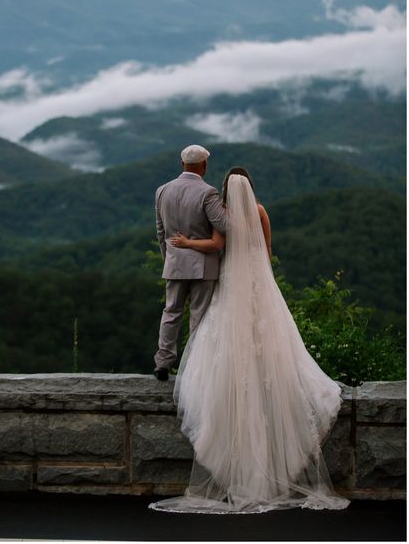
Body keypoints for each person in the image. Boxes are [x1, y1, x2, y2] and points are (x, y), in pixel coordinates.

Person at [150, 167, 350, 514]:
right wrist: (262, 279)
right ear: (252, 187)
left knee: (219, 336)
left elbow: (217, 245)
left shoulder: (223, 213)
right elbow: (268, 249)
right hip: (260, 282)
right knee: (271, 337)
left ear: (227, 189)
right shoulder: (260, 211)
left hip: (230, 282)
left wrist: (183, 243)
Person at [153, 144, 227, 381]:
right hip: (203, 265)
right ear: (204, 165)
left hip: (174, 263)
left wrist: (169, 259)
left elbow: (160, 231)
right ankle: (193, 366)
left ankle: (162, 362)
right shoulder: (208, 193)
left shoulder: (162, 191)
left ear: (182, 163)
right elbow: (224, 226)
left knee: (171, 312)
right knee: (199, 316)